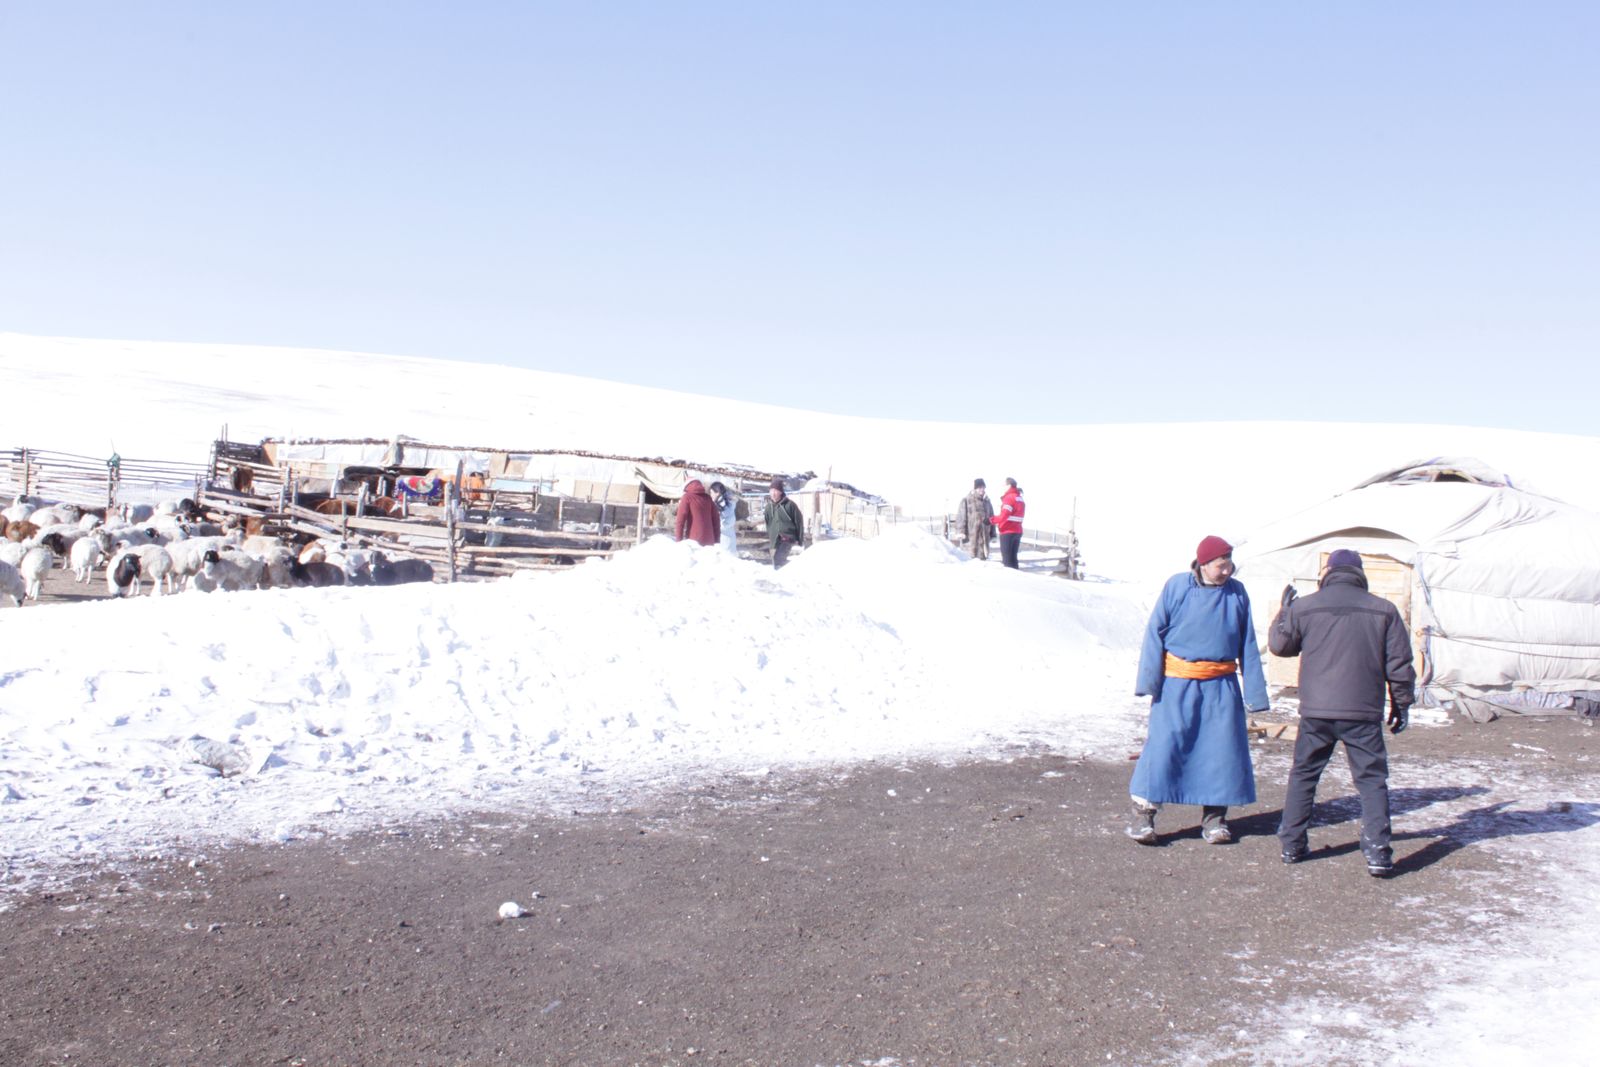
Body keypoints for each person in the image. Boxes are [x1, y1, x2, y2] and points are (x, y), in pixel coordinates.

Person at [1270, 548, 1416, 877]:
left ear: (1328, 572)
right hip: (1362, 712)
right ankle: (1378, 851)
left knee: (1304, 774)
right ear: (1360, 573)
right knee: (1372, 780)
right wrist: (1402, 703)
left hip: (1316, 712)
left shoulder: (1305, 607)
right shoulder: (1384, 610)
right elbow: (1399, 665)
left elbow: (1281, 647)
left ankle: (1291, 844)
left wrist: (1284, 613)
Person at [1128, 535, 1270, 845]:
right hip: (1177, 684)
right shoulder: (1177, 587)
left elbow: (1247, 643)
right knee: (1164, 746)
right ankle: (1144, 817)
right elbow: (1155, 633)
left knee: (1221, 751)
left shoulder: (1237, 593)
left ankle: (1215, 820)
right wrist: (1149, 681)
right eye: (1221, 564)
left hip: (1221, 686)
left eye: (1230, 563)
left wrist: (1256, 695)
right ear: (1204, 563)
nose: (1227, 570)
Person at [764, 476, 805, 569]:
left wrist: (800, 539)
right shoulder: (768, 508)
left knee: (779, 561)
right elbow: (768, 523)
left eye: (775, 491)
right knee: (773, 562)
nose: (773, 493)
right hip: (774, 540)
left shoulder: (790, 505)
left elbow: (799, 522)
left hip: (787, 538)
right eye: (771, 490)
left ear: (781, 492)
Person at [953, 478, 995, 560]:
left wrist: (993, 534)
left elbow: (992, 518)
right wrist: (961, 532)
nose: (982, 490)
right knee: (970, 562)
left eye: (983, 488)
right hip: (971, 538)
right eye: (980, 488)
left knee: (983, 562)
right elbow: (961, 517)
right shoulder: (966, 500)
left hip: (984, 539)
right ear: (975, 489)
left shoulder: (987, 501)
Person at [674, 478, 721, 547]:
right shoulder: (708, 498)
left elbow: (680, 521)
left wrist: (678, 542)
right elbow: (716, 520)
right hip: (710, 541)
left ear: (687, 486)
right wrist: (717, 541)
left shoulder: (687, 497)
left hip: (693, 540)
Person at [992, 477, 1025, 569]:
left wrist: (991, 520)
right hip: (1017, 531)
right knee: (1013, 558)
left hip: (1007, 531)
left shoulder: (1009, 498)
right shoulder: (1020, 499)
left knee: (1007, 560)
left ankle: (1010, 581)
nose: (1002, 487)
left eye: (1004, 485)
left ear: (1009, 485)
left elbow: (1003, 516)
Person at [708, 481, 740, 555]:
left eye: (711, 492)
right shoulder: (722, 504)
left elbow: (727, 523)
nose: (710, 495)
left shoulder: (725, 506)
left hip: (725, 543)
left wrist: (712, 525)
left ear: (717, 493)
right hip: (723, 542)